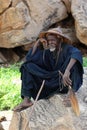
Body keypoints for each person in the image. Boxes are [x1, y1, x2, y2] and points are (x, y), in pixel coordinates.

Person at [13, 27, 83, 112]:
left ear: (59, 39)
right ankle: (26, 100)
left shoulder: (66, 48)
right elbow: (29, 58)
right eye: (48, 40)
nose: (50, 42)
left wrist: (67, 70)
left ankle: (71, 94)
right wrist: (38, 42)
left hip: (62, 82)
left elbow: (76, 53)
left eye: (53, 40)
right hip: (48, 82)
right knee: (26, 66)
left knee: (75, 64)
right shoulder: (47, 50)